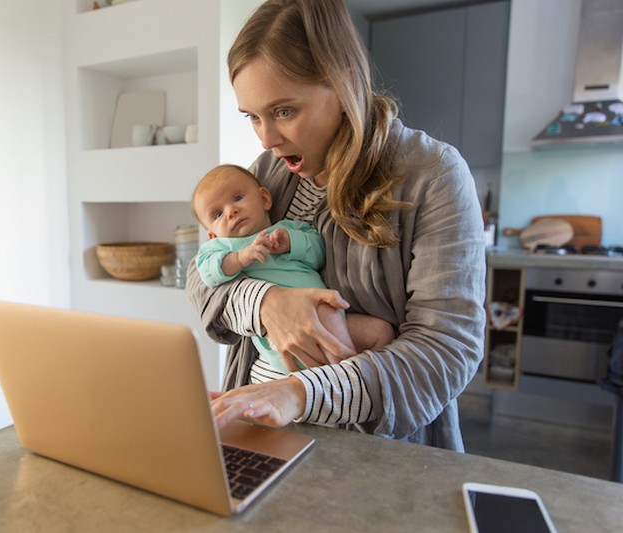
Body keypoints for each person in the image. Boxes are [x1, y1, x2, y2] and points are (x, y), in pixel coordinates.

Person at [186, 0, 486, 451]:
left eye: (284, 111)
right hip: (262, 433)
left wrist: (301, 393)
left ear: (344, 83)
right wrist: (268, 302)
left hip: (380, 455)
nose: (266, 138)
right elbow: (201, 274)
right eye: (252, 116)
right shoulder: (266, 173)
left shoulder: (434, 175)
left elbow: (446, 351)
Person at [191, 163, 394, 376]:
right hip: (283, 338)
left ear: (264, 199)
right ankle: (343, 377)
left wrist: (291, 243)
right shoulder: (222, 248)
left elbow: (319, 254)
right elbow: (208, 273)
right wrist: (241, 258)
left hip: (335, 319)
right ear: (212, 235)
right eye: (217, 214)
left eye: (238, 198)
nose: (231, 212)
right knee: (325, 308)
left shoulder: (289, 229)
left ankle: (365, 380)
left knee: (381, 331)